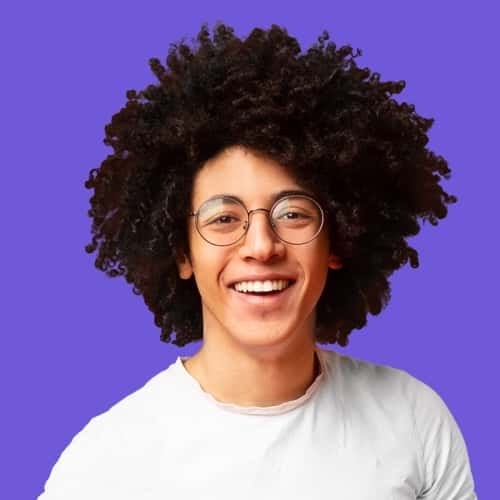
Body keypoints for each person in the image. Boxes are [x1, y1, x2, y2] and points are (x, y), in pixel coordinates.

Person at [38, 22, 477, 499]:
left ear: (339, 239)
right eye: (224, 218)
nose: (262, 246)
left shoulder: (414, 421)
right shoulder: (104, 465)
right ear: (182, 251)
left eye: (292, 213)